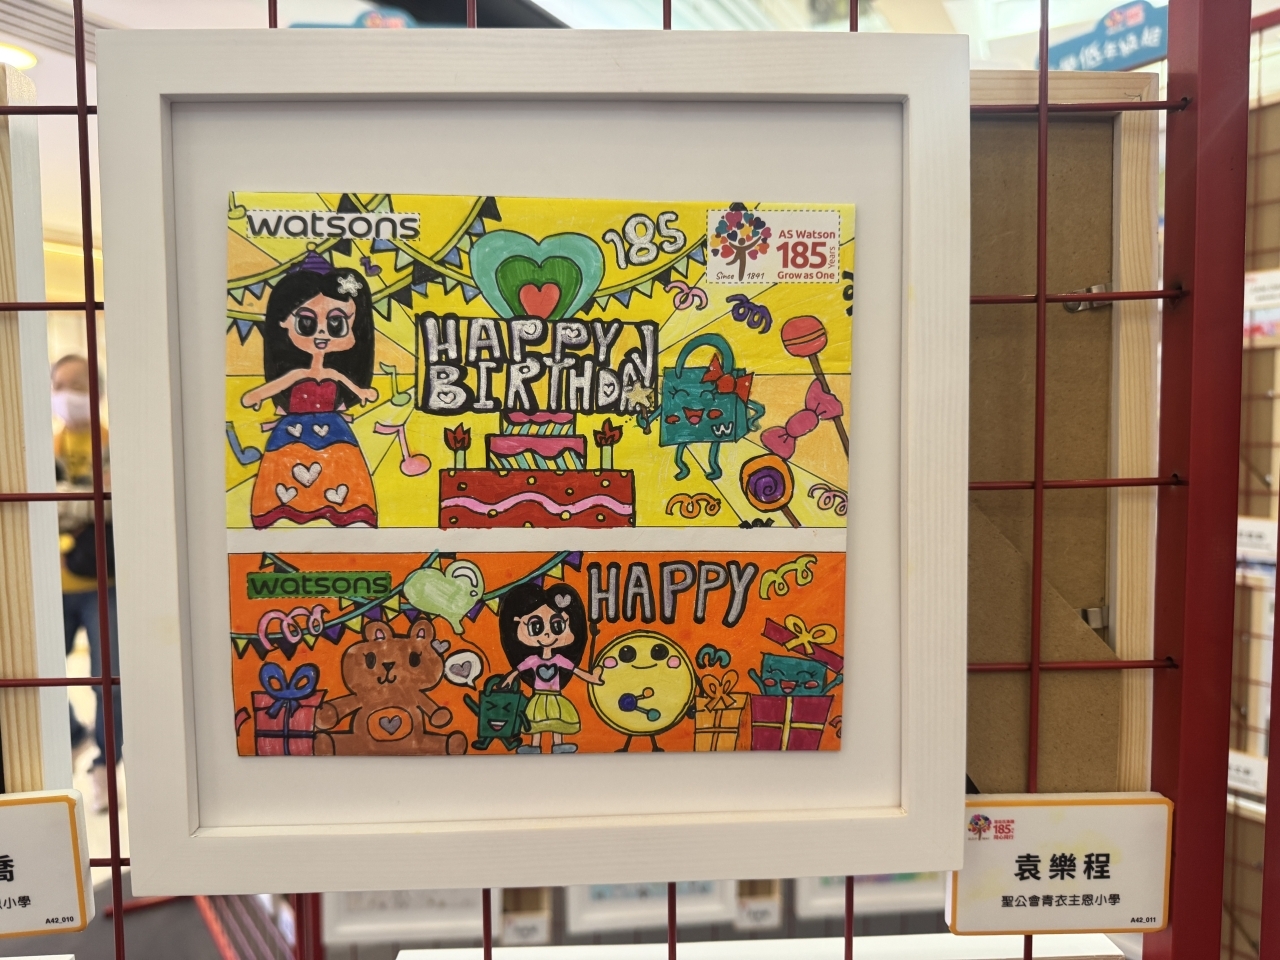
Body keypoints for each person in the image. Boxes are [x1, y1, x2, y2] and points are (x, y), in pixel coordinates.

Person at [242, 260, 379, 528]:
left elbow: (344, 381)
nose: (322, 333)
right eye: (306, 323)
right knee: (286, 474)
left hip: (334, 431)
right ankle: (286, 513)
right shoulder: (297, 373)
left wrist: (361, 392)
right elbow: (276, 386)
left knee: (341, 471)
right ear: (284, 322)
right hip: (292, 433)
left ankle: (346, 513)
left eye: (336, 324)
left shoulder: (332, 372)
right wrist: (256, 395)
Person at [52, 354, 119, 811]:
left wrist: (65, 502)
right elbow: (41, 503)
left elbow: (116, 502)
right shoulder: (43, 445)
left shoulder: (115, 443)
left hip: (104, 582)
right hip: (51, 586)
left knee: (110, 682)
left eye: (74, 386)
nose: (64, 396)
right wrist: (90, 501)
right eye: (57, 386)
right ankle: (75, 734)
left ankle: (104, 767)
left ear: (95, 391)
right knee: (31, 679)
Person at [498, 582, 602, 754]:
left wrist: (592, 678)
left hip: (555, 697)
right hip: (539, 696)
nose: (547, 634)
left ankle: (558, 745)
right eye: (536, 626)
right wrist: (508, 679)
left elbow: (576, 671)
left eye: (557, 625)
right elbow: (518, 670)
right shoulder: (532, 660)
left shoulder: (560, 659)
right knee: (536, 721)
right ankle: (534, 746)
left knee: (556, 720)